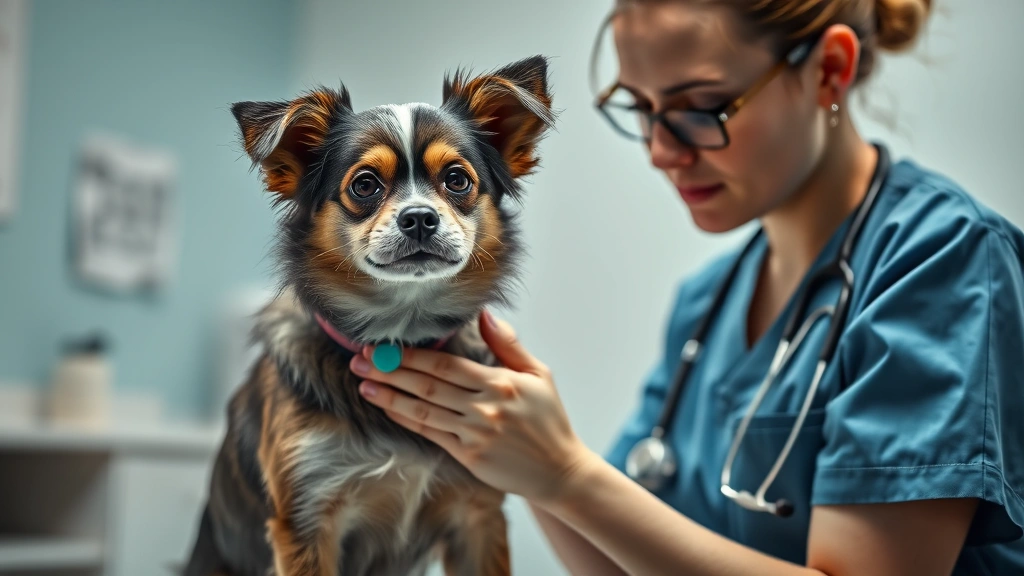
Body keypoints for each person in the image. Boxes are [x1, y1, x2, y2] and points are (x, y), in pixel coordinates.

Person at [348, 0, 1024, 573]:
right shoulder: (707, 302)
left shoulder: (943, 260)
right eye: (639, 108)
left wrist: (564, 473)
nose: (660, 150)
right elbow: (626, 559)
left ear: (829, 71)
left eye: (701, 108)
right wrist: (510, 458)